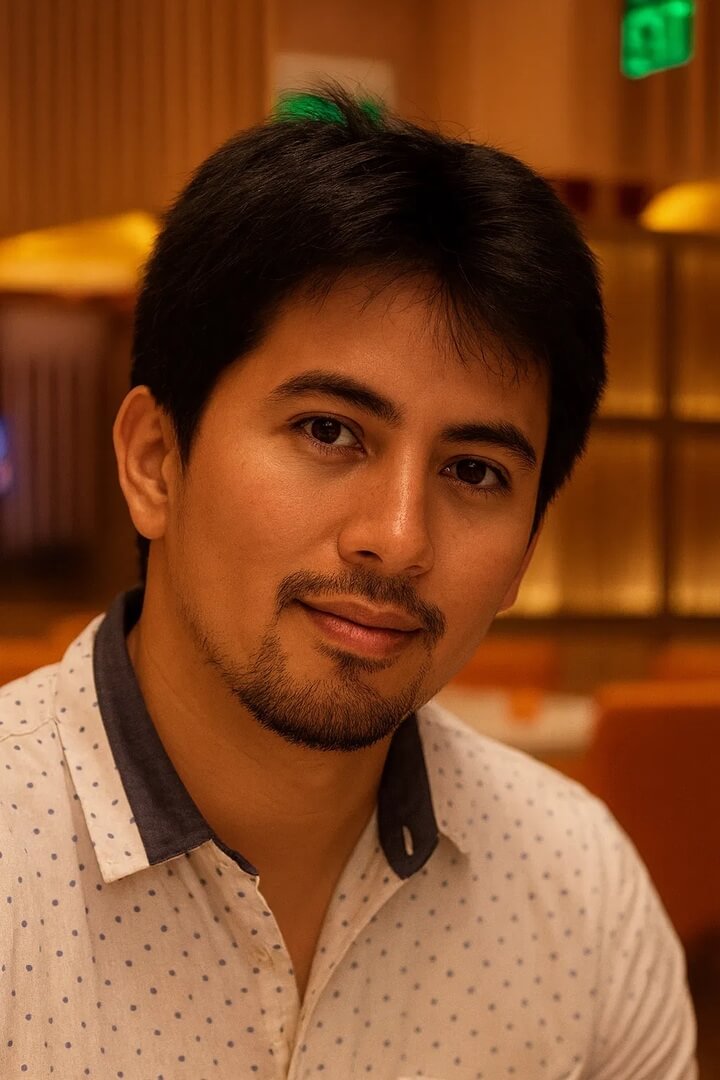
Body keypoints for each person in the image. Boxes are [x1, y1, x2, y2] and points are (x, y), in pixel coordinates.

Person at [0, 86, 697, 1078]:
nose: (398, 538)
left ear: (528, 553)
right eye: (329, 431)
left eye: (474, 472)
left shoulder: (576, 888)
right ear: (156, 459)